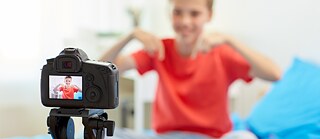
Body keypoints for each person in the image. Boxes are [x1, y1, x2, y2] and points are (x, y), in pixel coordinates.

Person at [100, 0, 281, 138]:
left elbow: (274, 74)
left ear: (209, 15)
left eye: (194, 14)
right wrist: (130, 36)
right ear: (170, 13)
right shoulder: (160, 49)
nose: (185, 22)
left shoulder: (222, 54)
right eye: (178, 12)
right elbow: (99, 71)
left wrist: (229, 40)